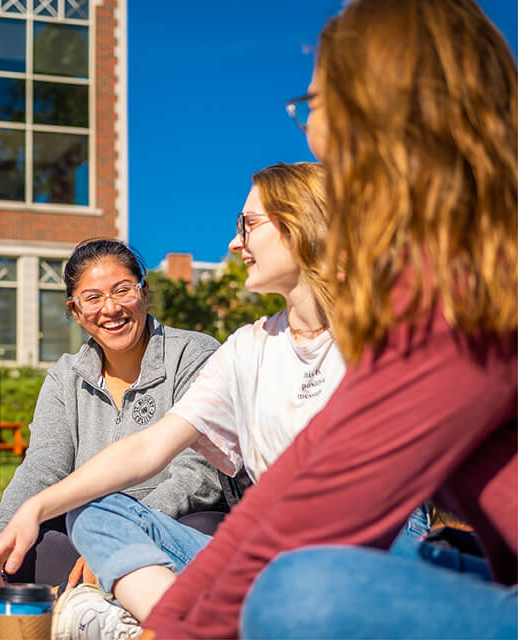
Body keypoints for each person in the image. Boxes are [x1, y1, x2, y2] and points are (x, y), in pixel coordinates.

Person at [150, 1, 517, 637]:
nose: (308, 128)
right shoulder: (436, 275)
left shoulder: (472, 286)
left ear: (379, 106)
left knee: (299, 593)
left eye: (316, 102)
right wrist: (172, 624)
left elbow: (315, 516)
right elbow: (294, 482)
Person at [0, 162, 348, 636]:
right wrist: (30, 511)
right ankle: (181, 622)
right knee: (91, 513)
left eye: (249, 225)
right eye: (91, 299)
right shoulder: (248, 347)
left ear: (304, 226)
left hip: (354, 553)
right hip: (267, 559)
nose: (235, 244)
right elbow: (149, 447)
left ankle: (170, 617)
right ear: (74, 310)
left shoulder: (378, 337)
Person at [0, 239, 225, 621]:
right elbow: (42, 468)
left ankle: (99, 591)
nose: (110, 308)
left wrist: (119, 537)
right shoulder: (65, 377)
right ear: (75, 311)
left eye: (122, 290)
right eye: (92, 298)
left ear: (143, 293)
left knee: (209, 528)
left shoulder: (193, 354)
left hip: (170, 523)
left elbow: (199, 475)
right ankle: (90, 594)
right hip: (81, 529)